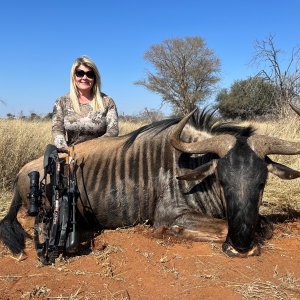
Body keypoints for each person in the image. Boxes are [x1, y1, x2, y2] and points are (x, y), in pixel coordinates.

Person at [52, 55, 119, 149]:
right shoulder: (61, 101)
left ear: (95, 78)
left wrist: (88, 150)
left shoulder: (107, 101)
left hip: (100, 153)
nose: (85, 77)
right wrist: (65, 151)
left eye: (90, 74)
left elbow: (113, 132)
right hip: (71, 155)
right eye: (80, 73)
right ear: (73, 76)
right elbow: (57, 130)